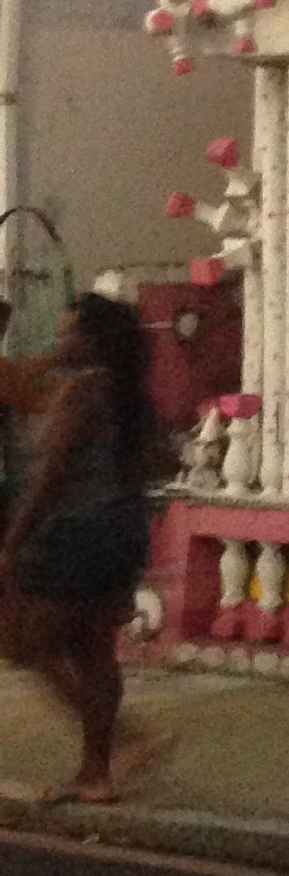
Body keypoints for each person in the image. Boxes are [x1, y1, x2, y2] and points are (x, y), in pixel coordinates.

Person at [0, 292, 170, 802]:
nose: (61, 338)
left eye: (70, 330)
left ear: (93, 339)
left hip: (76, 531)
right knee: (94, 649)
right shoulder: (126, 393)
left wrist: (15, 540)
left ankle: (109, 754)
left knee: (28, 641)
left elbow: (51, 475)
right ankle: (96, 770)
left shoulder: (83, 391)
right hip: (120, 528)